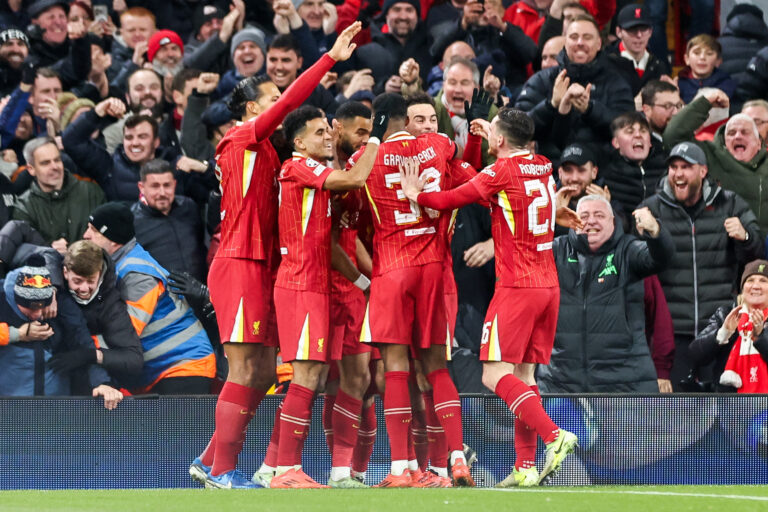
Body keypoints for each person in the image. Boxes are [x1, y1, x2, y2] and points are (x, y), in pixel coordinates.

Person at [188, 22, 362, 490]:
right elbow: (291, 106)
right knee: (245, 368)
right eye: (271, 102)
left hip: (264, 266)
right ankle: (221, 470)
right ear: (251, 109)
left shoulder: (269, 150)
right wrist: (329, 60)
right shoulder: (241, 139)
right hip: (240, 261)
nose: (279, 111)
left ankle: (210, 458)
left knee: (265, 370)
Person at [400, 106, 580, 488]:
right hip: (549, 286)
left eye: (492, 131)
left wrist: (418, 193)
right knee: (524, 376)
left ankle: (554, 436)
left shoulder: (500, 172)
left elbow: (453, 198)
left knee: (492, 373)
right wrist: (488, 138)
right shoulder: (543, 165)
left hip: (517, 287)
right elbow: (521, 199)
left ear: (499, 139)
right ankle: (525, 466)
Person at [352, 93, 473, 488]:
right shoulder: (438, 146)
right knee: (437, 367)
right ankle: (457, 460)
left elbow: (348, 204)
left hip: (391, 268)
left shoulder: (362, 161)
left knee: (397, 370)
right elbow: (462, 162)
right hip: (434, 270)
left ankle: (400, 467)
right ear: (408, 119)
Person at [269, 104, 385, 489]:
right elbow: (352, 180)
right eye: (318, 132)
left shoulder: (317, 170)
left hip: (315, 285)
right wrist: (376, 141)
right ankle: (283, 468)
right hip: (301, 284)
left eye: (327, 130)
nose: (326, 136)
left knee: (317, 376)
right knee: (306, 377)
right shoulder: (296, 166)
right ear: (298, 141)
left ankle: (296, 469)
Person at [639, 142, 764, 390]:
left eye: (686, 167)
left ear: (703, 171)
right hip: (672, 332)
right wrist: (648, 235)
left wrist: (745, 237)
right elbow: (640, 263)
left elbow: (757, 252)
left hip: (720, 329)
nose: (678, 173)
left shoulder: (729, 203)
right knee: (675, 416)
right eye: (674, 167)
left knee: (724, 413)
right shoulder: (652, 208)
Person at [539, 194, 674, 392]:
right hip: (560, 385)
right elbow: (521, 256)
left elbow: (661, 258)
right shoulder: (556, 251)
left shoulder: (628, 251)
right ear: (572, 220)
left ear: (613, 221)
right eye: (584, 215)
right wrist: (546, 218)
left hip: (624, 386)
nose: (591, 220)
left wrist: (655, 231)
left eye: (599, 215)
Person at [83, 202, 216, 395]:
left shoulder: (138, 275)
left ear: (113, 239)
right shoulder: (119, 265)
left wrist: (83, 345)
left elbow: (125, 334)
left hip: (183, 366)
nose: (86, 235)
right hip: (160, 370)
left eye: (94, 230)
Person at [0, 253, 122, 409]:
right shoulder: (2, 299)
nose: (38, 314)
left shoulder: (62, 305)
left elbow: (83, 344)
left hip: (55, 408)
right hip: (7, 408)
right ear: (16, 298)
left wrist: (103, 383)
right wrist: (15, 334)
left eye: (42, 305)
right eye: (30, 307)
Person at [515, 14, 634, 162]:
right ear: (565, 43)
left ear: (598, 44)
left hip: (602, 169)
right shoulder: (542, 79)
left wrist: (590, 110)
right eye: (574, 37)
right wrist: (550, 105)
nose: (580, 42)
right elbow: (516, 129)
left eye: (587, 37)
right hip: (550, 168)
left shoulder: (616, 82)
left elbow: (628, 129)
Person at [663, 89, 768, 235]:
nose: (738, 136)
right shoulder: (711, 156)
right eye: (731, 133)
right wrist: (705, 102)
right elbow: (673, 138)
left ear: (759, 143)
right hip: (720, 249)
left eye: (745, 132)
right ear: (724, 141)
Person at [13, 137, 105, 251]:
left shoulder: (91, 192)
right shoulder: (23, 207)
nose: (54, 167)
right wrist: (49, 249)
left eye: (57, 160)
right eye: (45, 163)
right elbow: (24, 251)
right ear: (31, 169)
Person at [690, 259, 768, 393]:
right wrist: (724, 332)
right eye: (750, 280)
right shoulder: (726, 314)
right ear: (743, 288)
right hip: (730, 404)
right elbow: (695, 354)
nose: (756, 286)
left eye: (763, 281)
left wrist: (760, 336)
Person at [131, 159, 207, 283]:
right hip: (163, 299)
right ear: (141, 187)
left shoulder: (189, 207)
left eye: (167, 185)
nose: (162, 193)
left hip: (203, 293)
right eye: (155, 186)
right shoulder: (132, 221)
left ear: (174, 184)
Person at [600, 111, 667, 223]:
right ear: (616, 143)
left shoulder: (665, 168)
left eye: (643, 131)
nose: (638, 135)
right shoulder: (607, 176)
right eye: (629, 131)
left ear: (650, 141)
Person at [604, 3, 671, 96]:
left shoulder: (659, 66)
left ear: (651, 32)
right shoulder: (605, 63)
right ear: (619, 32)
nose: (639, 35)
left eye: (643, 29)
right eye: (632, 29)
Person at [677, 35, 736, 105]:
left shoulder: (726, 84)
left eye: (709, 54)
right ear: (687, 59)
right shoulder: (679, 84)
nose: (702, 57)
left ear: (718, 61)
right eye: (696, 53)